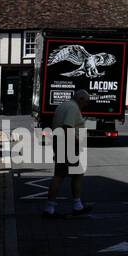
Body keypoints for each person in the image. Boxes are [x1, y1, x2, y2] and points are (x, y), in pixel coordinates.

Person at [43, 90, 93, 219]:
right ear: (80, 99)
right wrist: (77, 142)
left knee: (77, 174)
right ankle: (50, 208)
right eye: (86, 102)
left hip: (62, 144)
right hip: (67, 146)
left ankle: (76, 205)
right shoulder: (72, 108)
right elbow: (67, 127)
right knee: (60, 176)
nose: (86, 105)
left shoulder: (64, 105)